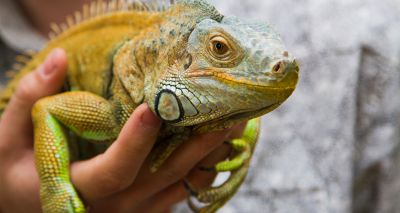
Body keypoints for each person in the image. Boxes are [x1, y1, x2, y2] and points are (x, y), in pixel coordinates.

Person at [0, 0, 245, 212]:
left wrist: (246, 138)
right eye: (219, 49)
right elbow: (49, 110)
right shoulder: (115, 112)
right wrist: (50, 188)